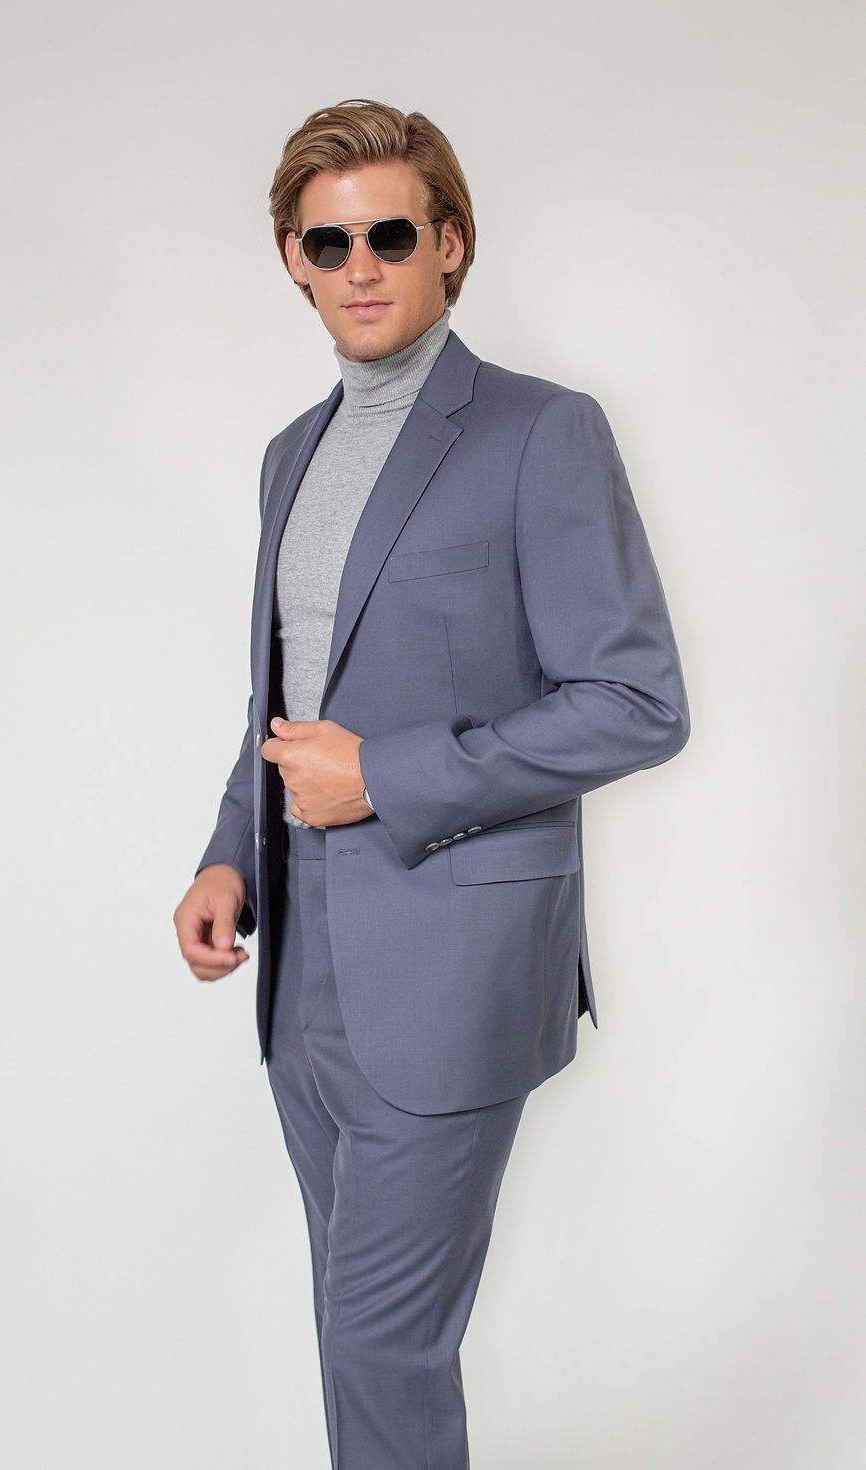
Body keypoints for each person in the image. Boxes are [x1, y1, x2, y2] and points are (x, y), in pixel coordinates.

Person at [173, 98, 689, 1470]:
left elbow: (638, 703)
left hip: (451, 965)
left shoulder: (541, 431)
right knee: (355, 1340)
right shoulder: (291, 456)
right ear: (292, 258)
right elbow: (283, 705)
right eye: (327, 242)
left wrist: (388, 776)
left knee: (382, 1346)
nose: (361, 267)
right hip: (301, 970)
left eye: (391, 235)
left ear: (450, 242)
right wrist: (230, 851)